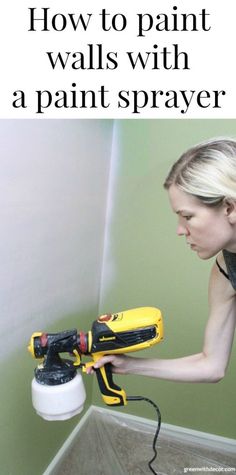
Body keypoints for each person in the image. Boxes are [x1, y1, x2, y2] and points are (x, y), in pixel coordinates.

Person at [91, 138, 236, 383]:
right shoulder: (225, 271)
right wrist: (128, 365)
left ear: (229, 207)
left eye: (187, 216)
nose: (180, 230)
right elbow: (211, 366)